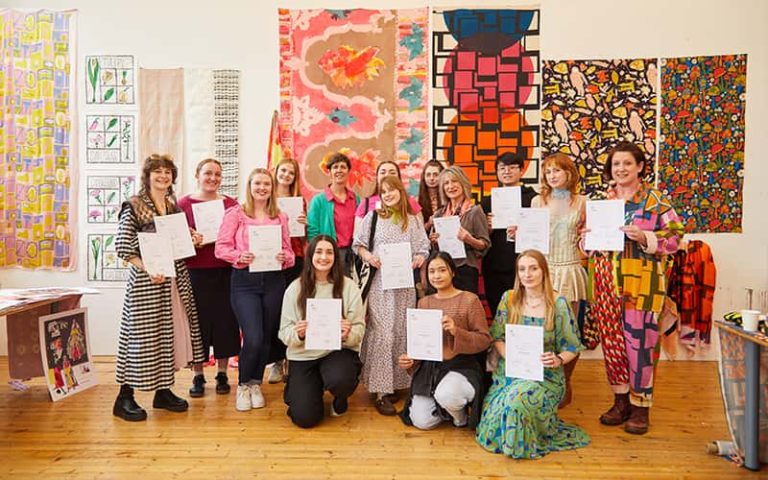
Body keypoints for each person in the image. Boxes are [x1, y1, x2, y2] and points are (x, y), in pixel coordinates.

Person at [584, 142, 684, 434]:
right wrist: (587, 239)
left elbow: (676, 238)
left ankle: (641, 407)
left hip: (642, 284)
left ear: (640, 166)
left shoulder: (655, 201)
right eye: (616, 165)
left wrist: (645, 237)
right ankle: (620, 401)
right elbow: (583, 243)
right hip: (605, 283)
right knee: (613, 345)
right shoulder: (603, 202)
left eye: (627, 163)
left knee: (640, 346)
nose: (621, 169)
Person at [113, 154, 206, 422]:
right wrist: (147, 268)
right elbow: (122, 246)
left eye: (168, 172)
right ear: (148, 175)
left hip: (173, 279)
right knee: (140, 338)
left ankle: (163, 392)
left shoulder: (171, 206)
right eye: (158, 172)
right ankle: (124, 397)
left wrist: (193, 239)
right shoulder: (134, 205)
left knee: (168, 333)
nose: (163, 176)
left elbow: (179, 241)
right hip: (147, 281)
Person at [475, 250, 590, 459]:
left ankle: (520, 444)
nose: (527, 274)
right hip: (511, 372)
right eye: (522, 269)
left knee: (516, 405)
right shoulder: (509, 299)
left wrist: (558, 359)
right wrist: (508, 354)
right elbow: (497, 337)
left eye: (533, 268)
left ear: (544, 271)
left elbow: (573, 347)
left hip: (545, 376)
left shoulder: (558, 303)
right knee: (493, 418)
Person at [215, 168, 295, 411]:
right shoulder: (236, 214)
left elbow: (290, 253)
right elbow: (221, 248)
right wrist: (240, 255)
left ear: (271, 188)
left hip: (274, 281)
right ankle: (242, 385)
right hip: (244, 282)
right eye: (257, 183)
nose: (262, 188)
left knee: (267, 336)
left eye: (266, 184)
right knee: (253, 336)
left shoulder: (279, 216)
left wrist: (284, 256)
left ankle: (255, 383)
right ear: (249, 186)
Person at [353, 176, 430, 415]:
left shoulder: (412, 221)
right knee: (383, 333)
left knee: (400, 332)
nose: (387, 195)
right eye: (383, 191)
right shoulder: (373, 217)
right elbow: (358, 244)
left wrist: (419, 258)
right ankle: (380, 391)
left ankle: (396, 383)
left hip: (405, 286)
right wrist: (369, 258)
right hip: (381, 286)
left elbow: (423, 247)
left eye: (391, 190)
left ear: (400, 191)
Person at [279, 235, 366, 428]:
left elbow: (359, 330)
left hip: (336, 352)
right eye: (319, 252)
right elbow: (284, 333)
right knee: (305, 419)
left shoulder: (349, 287)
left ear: (336, 256)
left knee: (340, 378)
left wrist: (347, 333)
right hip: (303, 356)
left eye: (329, 252)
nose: (324, 257)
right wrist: (299, 334)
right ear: (310, 255)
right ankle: (305, 389)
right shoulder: (295, 289)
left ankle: (340, 396)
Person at [398, 251, 491, 429]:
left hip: (461, 366)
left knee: (448, 394)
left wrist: (457, 331)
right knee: (422, 421)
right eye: (432, 271)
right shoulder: (424, 303)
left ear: (452, 272)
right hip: (431, 369)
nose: (437, 275)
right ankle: (445, 408)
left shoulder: (469, 300)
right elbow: (421, 344)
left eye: (442, 270)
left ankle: (460, 417)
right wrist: (410, 359)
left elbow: (484, 340)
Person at [178, 158, 240, 397]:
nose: (213, 178)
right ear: (197, 174)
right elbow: (174, 240)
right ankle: (198, 375)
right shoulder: (182, 204)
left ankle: (223, 373)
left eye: (217, 174)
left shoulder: (232, 204)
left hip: (225, 271)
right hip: (195, 272)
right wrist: (189, 239)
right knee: (198, 325)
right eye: (208, 173)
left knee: (226, 322)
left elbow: (240, 235)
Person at [531, 152, 587, 408]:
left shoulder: (582, 202)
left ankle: (565, 381)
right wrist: (517, 234)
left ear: (569, 173)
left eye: (557, 170)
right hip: (544, 269)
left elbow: (589, 245)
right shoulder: (537, 202)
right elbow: (530, 241)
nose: (552, 176)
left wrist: (590, 237)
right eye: (548, 171)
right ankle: (541, 382)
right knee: (541, 329)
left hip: (570, 269)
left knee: (568, 331)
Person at [480, 152, 537, 316]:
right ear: (497, 172)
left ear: (521, 170)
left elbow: (539, 232)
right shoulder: (487, 202)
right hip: (494, 264)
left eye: (512, 167)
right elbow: (481, 238)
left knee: (524, 310)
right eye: (502, 168)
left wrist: (524, 229)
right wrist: (487, 228)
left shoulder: (533, 199)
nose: (507, 171)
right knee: (498, 310)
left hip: (523, 264)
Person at [269, 157, 308, 384]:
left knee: (295, 310)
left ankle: (292, 359)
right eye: (283, 171)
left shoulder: (299, 202)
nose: (286, 175)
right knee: (275, 312)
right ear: (276, 172)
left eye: (291, 173)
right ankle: (275, 361)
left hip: (296, 259)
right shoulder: (265, 197)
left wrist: (304, 222)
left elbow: (303, 236)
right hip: (272, 261)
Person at [429, 166, 490, 294]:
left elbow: (485, 245)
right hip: (443, 270)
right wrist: (434, 241)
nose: (450, 186)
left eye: (454, 181)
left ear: (463, 183)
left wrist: (469, 239)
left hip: (465, 270)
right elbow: (433, 249)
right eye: (446, 183)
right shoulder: (439, 214)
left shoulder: (474, 211)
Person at [307, 152, 359, 276]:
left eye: (343, 167)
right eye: (335, 167)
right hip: (329, 254)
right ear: (329, 172)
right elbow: (312, 231)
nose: (339, 170)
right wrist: (321, 255)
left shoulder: (356, 199)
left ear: (348, 171)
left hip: (352, 254)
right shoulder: (318, 200)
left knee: (348, 291)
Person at [355, 160, 423, 231]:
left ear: (399, 178)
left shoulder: (410, 202)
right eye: (383, 172)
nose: (387, 175)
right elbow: (357, 235)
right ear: (377, 177)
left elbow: (420, 231)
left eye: (392, 173)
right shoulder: (366, 203)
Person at [417, 160, 445, 232]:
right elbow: (417, 231)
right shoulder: (417, 200)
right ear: (424, 177)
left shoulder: (448, 197)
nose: (431, 178)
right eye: (428, 175)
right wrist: (429, 223)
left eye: (435, 175)